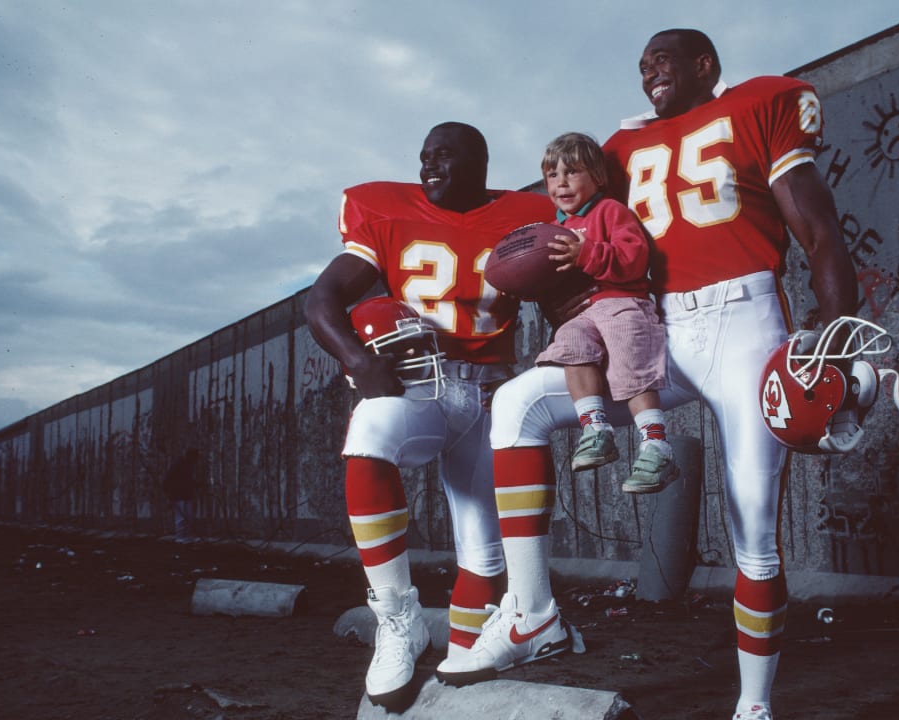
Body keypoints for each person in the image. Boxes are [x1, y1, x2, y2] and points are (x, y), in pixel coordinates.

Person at [435, 30, 858, 720]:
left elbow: (817, 227)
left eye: (662, 59)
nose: (647, 71)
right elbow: (583, 232)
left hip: (744, 322)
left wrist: (836, 329)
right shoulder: (620, 149)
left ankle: (754, 706)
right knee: (517, 405)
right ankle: (533, 611)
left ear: (704, 65)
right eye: (640, 64)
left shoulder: (763, 103)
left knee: (753, 525)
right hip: (655, 324)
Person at [304, 121, 553, 709]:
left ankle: (459, 668)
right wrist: (358, 362)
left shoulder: (527, 215)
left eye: (443, 155)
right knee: (367, 433)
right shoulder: (386, 211)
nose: (427, 166)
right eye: (423, 157)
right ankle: (397, 619)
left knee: (485, 553)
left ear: (479, 163)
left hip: (494, 391)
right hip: (423, 389)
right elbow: (320, 301)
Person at [536, 132, 675, 494]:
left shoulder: (609, 211)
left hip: (623, 301)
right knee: (569, 341)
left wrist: (586, 254)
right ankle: (596, 429)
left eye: (572, 172)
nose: (561, 182)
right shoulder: (555, 229)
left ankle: (656, 444)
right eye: (552, 175)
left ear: (597, 176)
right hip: (586, 312)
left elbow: (634, 259)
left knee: (627, 355)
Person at [162, 447, 199, 543]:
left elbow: (189, 481)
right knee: (180, 517)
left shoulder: (188, 466)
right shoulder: (178, 465)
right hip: (178, 495)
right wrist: (170, 494)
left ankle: (187, 536)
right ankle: (180, 537)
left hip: (187, 494)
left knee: (188, 516)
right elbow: (167, 480)